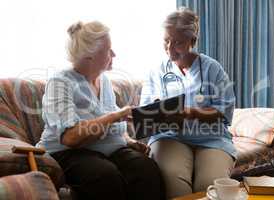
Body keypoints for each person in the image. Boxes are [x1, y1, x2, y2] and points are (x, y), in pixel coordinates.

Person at [36, 21, 165, 200]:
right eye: (108, 50)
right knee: (105, 175)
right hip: (67, 153)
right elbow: (70, 137)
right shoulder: (60, 82)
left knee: (146, 168)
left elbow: (109, 122)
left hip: (105, 150)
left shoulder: (103, 81)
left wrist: (128, 140)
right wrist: (115, 116)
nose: (114, 54)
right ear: (90, 55)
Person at [140, 8, 236, 199]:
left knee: (209, 184)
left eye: (178, 43)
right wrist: (157, 111)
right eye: (166, 41)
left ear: (192, 41)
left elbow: (224, 109)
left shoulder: (212, 68)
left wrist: (191, 112)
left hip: (211, 138)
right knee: (174, 181)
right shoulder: (156, 72)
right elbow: (144, 113)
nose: (169, 48)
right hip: (169, 137)